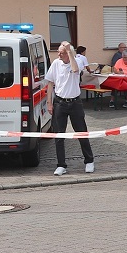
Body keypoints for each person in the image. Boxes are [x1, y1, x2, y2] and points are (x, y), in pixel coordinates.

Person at [44, 41, 95, 176]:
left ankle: (89, 161)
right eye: (59, 52)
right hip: (60, 103)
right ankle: (61, 164)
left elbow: (75, 70)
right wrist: (49, 103)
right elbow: (50, 83)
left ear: (68, 54)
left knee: (81, 132)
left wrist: (70, 53)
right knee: (59, 135)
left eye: (61, 52)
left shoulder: (76, 61)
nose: (58, 55)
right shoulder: (56, 63)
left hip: (75, 103)